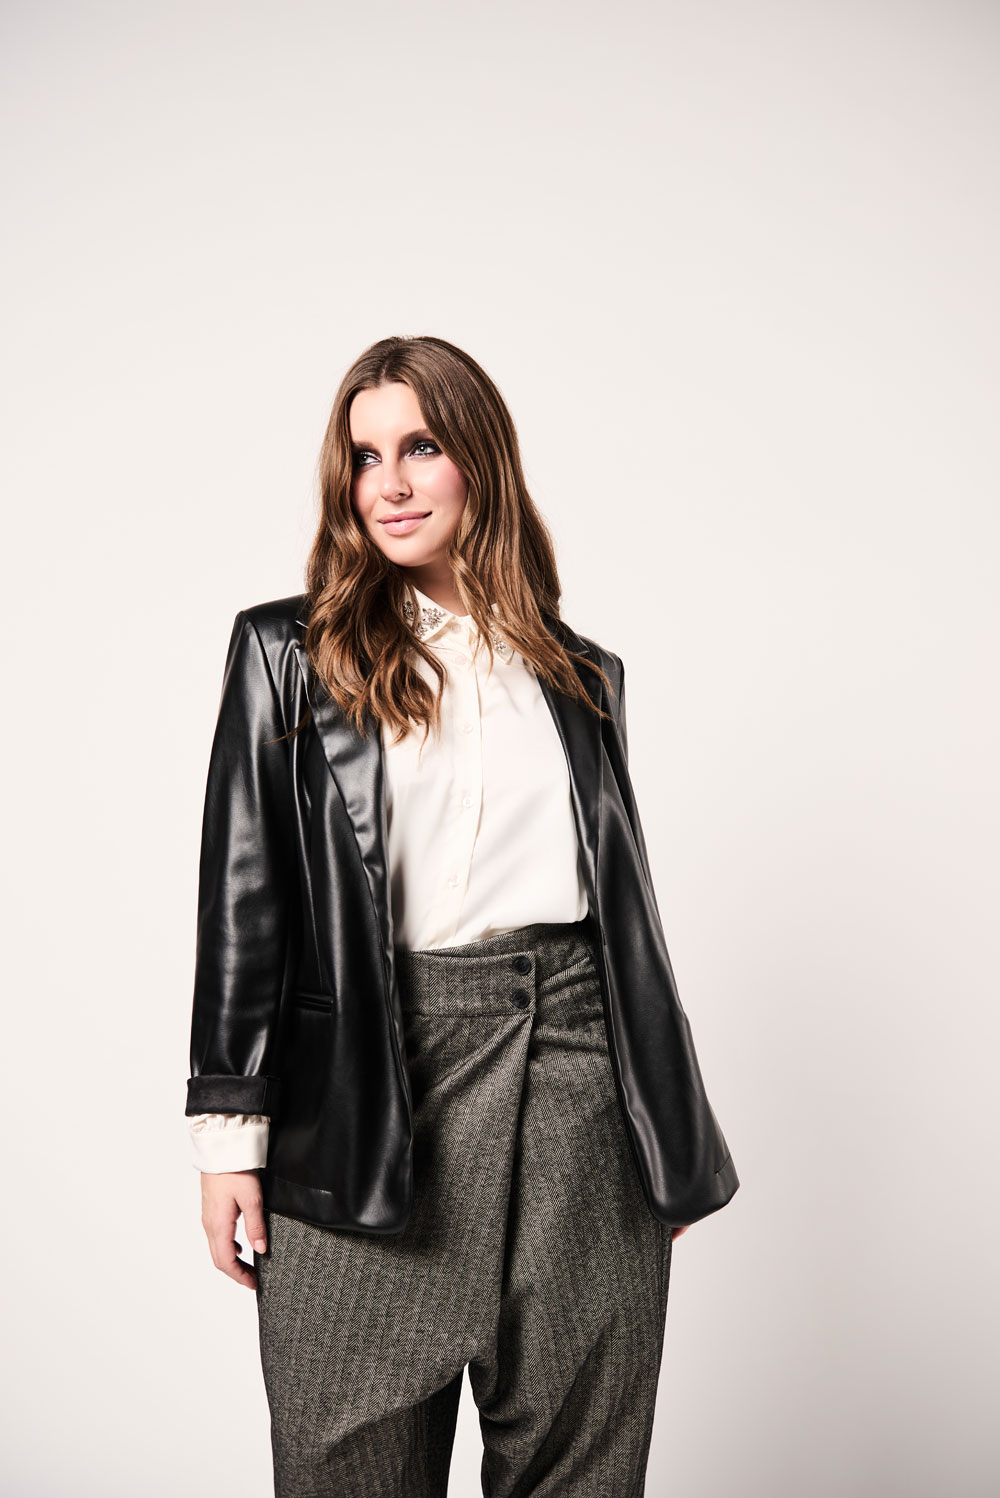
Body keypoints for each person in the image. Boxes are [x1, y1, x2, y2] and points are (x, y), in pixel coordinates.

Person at [185, 333, 738, 1497]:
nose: (387, 483)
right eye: (364, 457)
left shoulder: (581, 675)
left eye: (420, 447)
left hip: (580, 1089)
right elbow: (246, 898)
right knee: (344, 1459)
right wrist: (230, 1132)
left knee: (579, 1470)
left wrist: (664, 1129)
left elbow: (625, 919)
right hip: (369, 1089)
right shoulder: (287, 653)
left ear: (479, 458)